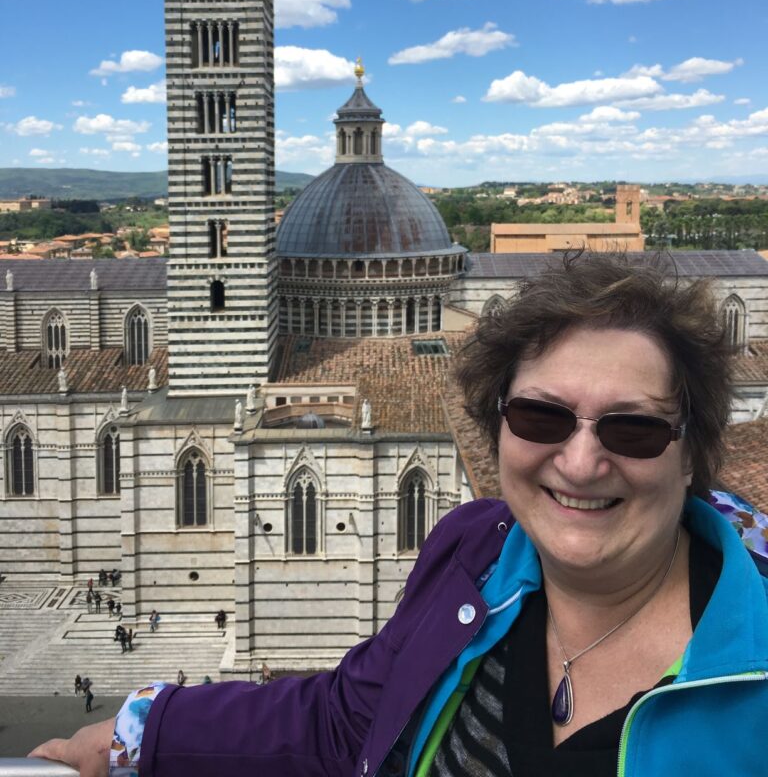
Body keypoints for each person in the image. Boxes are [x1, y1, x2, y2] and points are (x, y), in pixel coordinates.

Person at [27, 253, 768, 776]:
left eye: (631, 428)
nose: (579, 463)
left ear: (690, 451)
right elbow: (346, 718)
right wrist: (140, 731)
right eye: (541, 417)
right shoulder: (474, 552)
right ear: (498, 425)